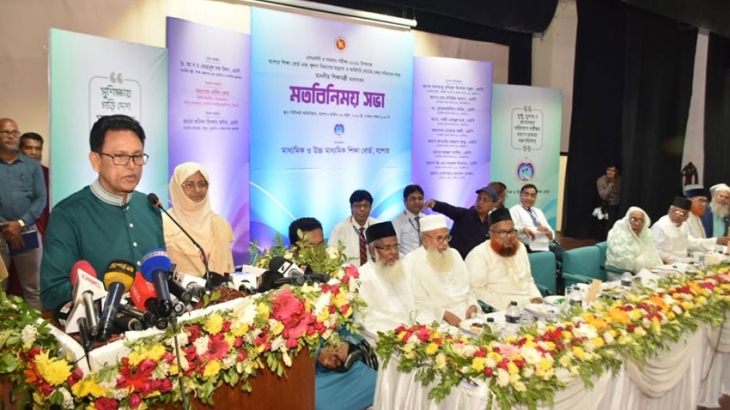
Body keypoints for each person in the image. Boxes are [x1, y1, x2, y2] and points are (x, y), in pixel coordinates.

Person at [40, 115, 165, 311]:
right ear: (96, 161)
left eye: (137, 156)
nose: (131, 165)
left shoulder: (150, 206)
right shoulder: (67, 214)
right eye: (120, 156)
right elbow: (52, 292)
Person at [356, 221, 429, 344]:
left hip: (416, 332)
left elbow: (420, 301)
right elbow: (365, 321)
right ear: (372, 251)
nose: (394, 252)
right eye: (387, 248)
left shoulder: (405, 268)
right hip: (387, 340)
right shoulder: (361, 278)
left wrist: (422, 328)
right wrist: (399, 335)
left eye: (396, 246)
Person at [0, 118, 46, 310]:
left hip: (27, 232)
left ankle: (36, 328)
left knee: (34, 289)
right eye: (6, 132)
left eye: (15, 132)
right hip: (0, 234)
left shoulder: (32, 166)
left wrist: (19, 224)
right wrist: (6, 226)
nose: (11, 136)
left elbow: (40, 197)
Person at [403, 214, 479, 326]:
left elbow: (469, 289)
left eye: (447, 237)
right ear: (425, 240)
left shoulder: (454, 254)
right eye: (439, 239)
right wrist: (444, 314)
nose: (445, 243)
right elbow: (417, 302)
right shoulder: (411, 261)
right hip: (437, 320)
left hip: (468, 316)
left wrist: (472, 305)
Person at [164, 162, 234, 277]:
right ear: (177, 188)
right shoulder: (165, 223)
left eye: (202, 184)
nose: (197, 190)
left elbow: (228, 269)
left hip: (220, 287)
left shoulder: (220, 224)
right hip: (178, 288)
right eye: (189, 184)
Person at [465, 208, 542, 311]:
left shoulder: (520, 248)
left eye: (511, 231)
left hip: (530, 307)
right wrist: (505, 305)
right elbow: (475, 290)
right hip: (501, 310)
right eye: (502, 232)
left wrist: (536, 298)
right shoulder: (479, 254)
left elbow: (528, 280)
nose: (509, 236)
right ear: (491, 233)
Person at [423, 186, 498, 259]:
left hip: (477, 262)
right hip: (456, 260)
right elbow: (449, 209)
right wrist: (435, 204)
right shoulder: (464, 215)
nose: (480, 202)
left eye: (485, 200)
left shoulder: (491, 224)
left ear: (493, 205)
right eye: (479, 198)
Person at [509, 184, 565, 261]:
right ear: (520, 195)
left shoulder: (538, 211)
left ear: (535, 198)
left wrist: (550, 234)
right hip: (528, 246)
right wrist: (536, 229)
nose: (529, 198)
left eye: (532, 196)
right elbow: (513, 229)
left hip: (544, 245)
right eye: (526, 195)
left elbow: (548, 228)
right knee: (551, 260)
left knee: (565, 254)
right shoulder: (513, 210)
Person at [651, 196, 712, 264]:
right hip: (667, 263)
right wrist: (678, 260)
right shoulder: (660, 226)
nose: (677, 215)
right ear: (669, 211)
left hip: (684, 261)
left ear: (687, 217)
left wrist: (713, 242)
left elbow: (689, 242)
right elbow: (656, 251)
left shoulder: (684, 225)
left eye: (682, 214)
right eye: (675, 211)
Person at [606, 207, 662, 276]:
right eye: (633, 219)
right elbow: (624, 262)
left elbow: (653, 254)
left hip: (644, 271)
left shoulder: (646, 234)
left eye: (640, 220)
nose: (637, 223)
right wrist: (646, 268)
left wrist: (657, 267)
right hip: (622, 274)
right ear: (627, 220)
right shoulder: (619, 235)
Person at [328, 190, 378, 267]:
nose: (362, 209)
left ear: (370, 207)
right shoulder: (339, 229)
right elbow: (330, 256)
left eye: (365, 206)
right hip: (349, 273)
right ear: (351, 208)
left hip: (374, 271)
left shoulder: (378, 226)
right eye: (357, 206)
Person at [19, 132, 50, 239]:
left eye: (38, 148)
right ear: (20, 149)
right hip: (14, 231)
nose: (34, 153)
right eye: (28, 148)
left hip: (44, 232)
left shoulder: (48, 174)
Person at [391, 184, 426, 255]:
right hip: (407, 260)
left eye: (420, 198)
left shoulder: (427, 219)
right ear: (405, 201)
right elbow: (395, 246)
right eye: (413, 199)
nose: (417, 202)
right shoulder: (397, 222)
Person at [596, 165, 621, 233]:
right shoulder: (601, 180)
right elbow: (603, 196)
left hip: (618, 203)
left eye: (613, 171)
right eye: (609, 170)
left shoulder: (619, 180)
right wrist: (611, 184)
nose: (610, 172)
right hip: (607, 204)